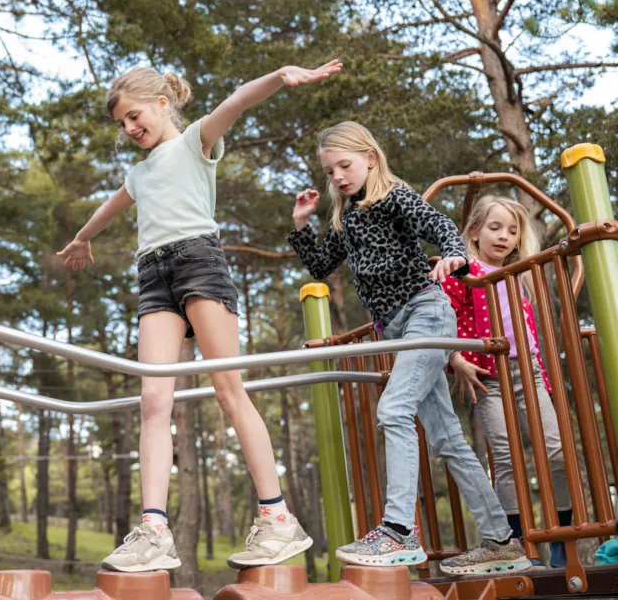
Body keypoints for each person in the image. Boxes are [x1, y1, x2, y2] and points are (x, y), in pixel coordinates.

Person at [57, 60, 343, 571]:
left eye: (134, 116)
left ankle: (278, 519)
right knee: (152, 399)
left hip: (199, 263)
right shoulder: (138, 173)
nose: (129, 128)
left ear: (162, 103)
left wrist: (279, 76)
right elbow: (111, 207)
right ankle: (154, 531)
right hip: (153, 276)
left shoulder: (194, 142)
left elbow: (236, 101)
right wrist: (82, 237)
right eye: (122, 123)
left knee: (229, 392)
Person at [287, 121, 530, 576]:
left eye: (345, 165)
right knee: (447, 438)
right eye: (330, 171)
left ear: (370, 159)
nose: (338, 176)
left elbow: (438, 224)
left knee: (394, 409)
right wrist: (301, 223)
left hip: (426, 313)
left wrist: (454, 252)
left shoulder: (393, 197)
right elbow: (320, 265)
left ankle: (398, 530)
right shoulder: (348, 216)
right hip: (399, 330)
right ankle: (501, 541)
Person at [443, 195, 571, 568]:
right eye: (495, 227)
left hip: (527, 372)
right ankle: (518, 543)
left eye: (512, 231)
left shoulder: (518, 274)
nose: (504, 237)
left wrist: (542, 375)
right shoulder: (463, 272)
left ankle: (562, 535)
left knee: (555, 449)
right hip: (487, 376)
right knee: (506, 458)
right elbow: (443, 319)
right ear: (475, 231)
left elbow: (528, 333)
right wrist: (455, 359)